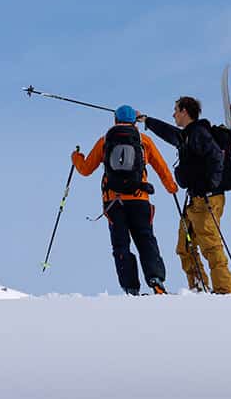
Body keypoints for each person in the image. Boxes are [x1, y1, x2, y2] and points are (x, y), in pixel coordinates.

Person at [73, 105, 178, 295]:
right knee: (146, 240)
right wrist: (172, 188)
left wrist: (76, 157)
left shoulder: (105, 141)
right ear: (134, 121)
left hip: (114, 201)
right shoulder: (143, 140)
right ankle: (156, 280)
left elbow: (86, 169)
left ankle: (131, 288)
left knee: (121, 245)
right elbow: (161, 167)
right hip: (140, 200)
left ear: (115, 120)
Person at [138, 97, 231, 294]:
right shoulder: (188, 136)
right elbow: (169, 133)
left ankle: (224, 291)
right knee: (185, 246)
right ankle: (198, 288)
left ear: (184, 111)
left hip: (208, 198)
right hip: (195, 200)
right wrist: (147, 120)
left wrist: (209, 185)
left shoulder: (199, 133)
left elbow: (217, 157)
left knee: (210, 244)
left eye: (175, 110)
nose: (173, 114)